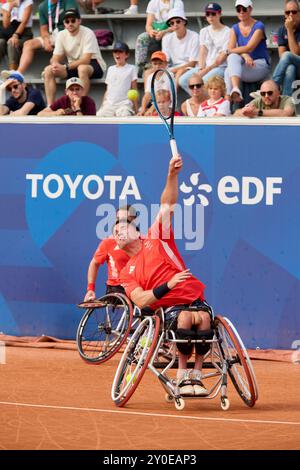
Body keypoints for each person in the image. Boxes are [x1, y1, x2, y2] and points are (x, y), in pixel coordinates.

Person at [117, 155, 210, 397]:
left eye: (122, 227)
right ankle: (181, 376)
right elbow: (141, 300)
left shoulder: (157, 237)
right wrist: (168, 285)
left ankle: (197, 376)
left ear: (137, 233)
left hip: (194, 297)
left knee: (203, 317)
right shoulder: (127, 272)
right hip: (169, 308)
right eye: (114, 231)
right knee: (187, 319)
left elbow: (167, 205)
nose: (118, 231)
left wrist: (172, 175)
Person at [42, 8, 106, 105]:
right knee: (48, 70)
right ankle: (50, 106)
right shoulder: (61, 35)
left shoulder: (88, 33)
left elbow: (86, 60)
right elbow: (56, 57)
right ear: (64, 23)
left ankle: (80, 104)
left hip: (94, 64)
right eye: (67, 21)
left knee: (82, 68)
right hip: (73, 65)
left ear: (79, 21)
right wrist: (55, 64)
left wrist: (64, 66)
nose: (70, 23)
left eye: (73, 20)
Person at [1, 0, 78, 77]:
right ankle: (19, 73)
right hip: (53, 35)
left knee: (58, 50)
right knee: (28, 44)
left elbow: (72, 22)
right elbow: (43, 29)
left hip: (67, 33)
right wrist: (46, 39)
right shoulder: (43, 6)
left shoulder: (68, 1)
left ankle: (56, 69)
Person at [84, 205, 137, 302]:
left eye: (126, 219)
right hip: (117, 288)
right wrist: (90, 289)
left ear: (134, 221)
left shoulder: (143, 241)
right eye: (118, 219)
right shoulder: (108, 242)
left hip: (138, 286)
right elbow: (94, 264)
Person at [224, 0, 271, 103]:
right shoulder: (235, 28)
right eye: (238, 9)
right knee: (231, 58)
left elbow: (249, 47)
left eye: (244, 9)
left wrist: (240, 52)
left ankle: (227, 102)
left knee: (228, 71)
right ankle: (235, 89)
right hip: (246, 64)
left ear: (250, 9)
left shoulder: (259, 25)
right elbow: (231, 51)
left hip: (260, 64)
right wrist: (244, 55)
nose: (241, 12)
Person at [179, 3, 230, 96]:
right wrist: (201, 68)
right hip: (205, 66)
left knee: (203, 81)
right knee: (183, 80)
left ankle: (206, 104)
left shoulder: (228, 32)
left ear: (219, 14)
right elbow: (203, 51)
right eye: (208, 14)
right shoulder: (204, 31)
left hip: (220, 67)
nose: (210, 16)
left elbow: (221, 58)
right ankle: (201, 101)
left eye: (213, 14)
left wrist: (205, 71)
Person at [135, 0, 184, 76]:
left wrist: (163, 32)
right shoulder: (153, 2)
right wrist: (151, 31)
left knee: (167, 37)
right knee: (142, 38)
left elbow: (177, 24)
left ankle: (167, 65)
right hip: (156, 32)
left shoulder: (177, 2)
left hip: (171, 32)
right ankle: (140, 67)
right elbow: (148, 25)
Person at [97, 41, 138, 117]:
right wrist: (102, 106)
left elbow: (134, 89)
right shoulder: (110, 69)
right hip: (109, 104)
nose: (117, 54)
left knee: (125, 115)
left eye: (120, 52)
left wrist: (136, 110)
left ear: (127, 55)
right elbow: (107, 90)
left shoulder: (132, 68)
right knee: (99, 116)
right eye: (115, 52)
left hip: (124, 104)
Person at [162, 9, 199, 88]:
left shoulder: (194, 36)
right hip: (173, 67)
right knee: (148, 72)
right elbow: (165, 60)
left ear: (184, 22)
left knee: (180, 72)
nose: (175, 24)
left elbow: (192, 63)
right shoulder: (166, 38)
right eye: (172, 23)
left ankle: (172, 99)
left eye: (178, 21)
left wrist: (172, 70)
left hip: (189, 68)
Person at [272, 1, 300, 97]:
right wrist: (288, 29)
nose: (291, 15)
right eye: (288, 12)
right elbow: (282, 57)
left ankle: (271, 87)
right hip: (293, 66)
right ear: (285, 15)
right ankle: (286, 103)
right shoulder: (281, 29)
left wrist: (289, 30)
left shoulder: (287, 28)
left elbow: (296, 54)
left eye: (294, 12)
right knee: (290, 69)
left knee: (288, 55)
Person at [0, 0, 33, 71]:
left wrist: (15, 35)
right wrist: (10, 8)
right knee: (0, 42)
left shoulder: (28, 2)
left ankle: (13, 73)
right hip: (9, 33)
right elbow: (6, 25)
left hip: (24, 33)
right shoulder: (5, 5)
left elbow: (24, 22)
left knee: (12, 43)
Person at [138, 51, 174, 116]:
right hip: (157, 104)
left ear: (165, 64)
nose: (157, 66)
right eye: (155, 64)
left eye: (160, 63)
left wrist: (151, 110)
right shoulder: (150, 77)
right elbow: (147, 95)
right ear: (152, 64)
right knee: (141, 113)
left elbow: (163, 97)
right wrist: (143, 109)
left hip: (167, 105)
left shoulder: (169, 75)